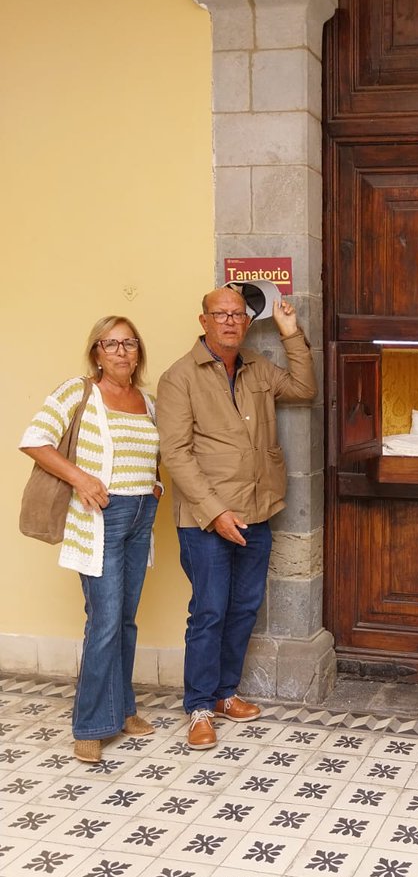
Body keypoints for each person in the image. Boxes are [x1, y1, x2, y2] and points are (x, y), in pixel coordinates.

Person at [156, 286, 316, 750]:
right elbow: (177, 455)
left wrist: (290, 333)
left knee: (243, 608)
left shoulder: (257, 368)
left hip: (256, 510)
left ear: (248, 322)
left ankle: (227, 694)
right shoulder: (178, 378)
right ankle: (200, 707)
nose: (229, 321)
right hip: (205, 521)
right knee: (208, 612)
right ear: (203, 320)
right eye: (219, 314)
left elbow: (304, 388)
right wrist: (215, 512)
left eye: (238, 314)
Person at [19, 317, 162, 763]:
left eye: (129, 343)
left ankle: (122, 710)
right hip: (101, 518)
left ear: (138, 351)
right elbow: (34, 439)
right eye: (111, 343)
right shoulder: (79, 391)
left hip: (141, 515)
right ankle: (90, 725)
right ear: (96, 352)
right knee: (104, 620)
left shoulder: (149, 401)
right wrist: (80, 477)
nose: (121, 351)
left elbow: (152, 454)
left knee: (126, 619)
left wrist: (154, 485)